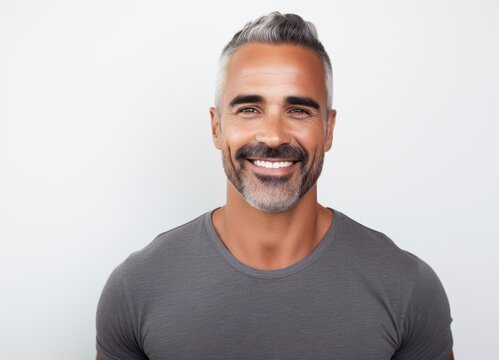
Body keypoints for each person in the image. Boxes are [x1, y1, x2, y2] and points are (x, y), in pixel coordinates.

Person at [96, 12, 454, 360]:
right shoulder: (136, 288)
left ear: (328, 129)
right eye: (249, 108)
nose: (273, 136)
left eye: (298, 110)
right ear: (216, 127)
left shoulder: (407, 288)